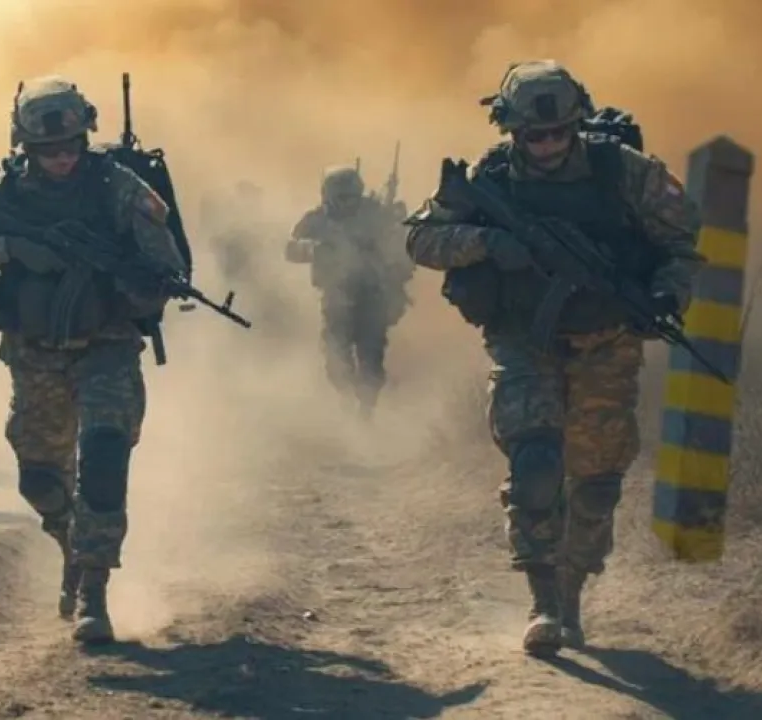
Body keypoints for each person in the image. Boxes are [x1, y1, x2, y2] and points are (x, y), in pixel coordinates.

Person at [404, 60, 704, 656]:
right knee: (537, 465)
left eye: (558, 133)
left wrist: (667, 295)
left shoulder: (625, 171)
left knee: (596, 483)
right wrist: (487, 242)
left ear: (576, 125)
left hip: (607, 340)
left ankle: (571, 594)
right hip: (524, 340)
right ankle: (542, 602)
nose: (545, 145)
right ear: (511, 129)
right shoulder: (488, 177)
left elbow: (682, 244)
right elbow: (421, 238)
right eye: (532, 135)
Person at [0, 75, 185, 644]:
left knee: (104, 457)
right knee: (40, 479)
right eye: (48, 150)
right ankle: (70, 543)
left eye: (71, 146)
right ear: (26, 147)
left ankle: (95, 590)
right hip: (35, 356)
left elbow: (166, 265)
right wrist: (11, 248)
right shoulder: (1, 195)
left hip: (107, 348)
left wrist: (137, 285)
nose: (62, 158)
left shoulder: (118, 188)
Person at [285, 165, 412, 417]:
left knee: (371, 358)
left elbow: (401, 240)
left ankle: (366, 410)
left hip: (372, 296)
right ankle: (346, 399)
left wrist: (395, 219)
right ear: (328, 196)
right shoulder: (317, 220)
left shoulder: (374, 213)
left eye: (353, 197)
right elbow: (290, 249)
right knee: (336, 359)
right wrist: (314, 249)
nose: (348, 203)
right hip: (336, 298)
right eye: (342, 198)